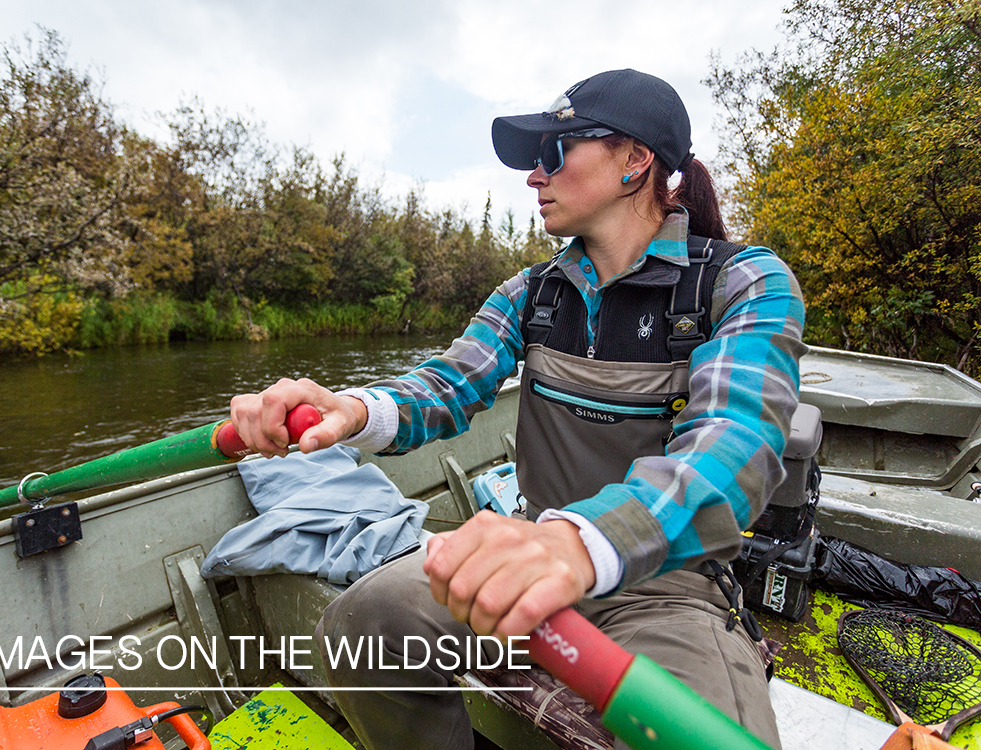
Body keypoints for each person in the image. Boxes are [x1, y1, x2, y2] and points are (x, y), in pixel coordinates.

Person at [227, 68, 804, 750]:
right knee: (365, 626)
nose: (534, 175)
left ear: (634, 160)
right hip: (524, 552)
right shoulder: (530, 292)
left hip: (665, 584)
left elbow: (731, 445)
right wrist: (350, 408)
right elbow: (447, 385)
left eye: (553, 153)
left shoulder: (745, 282)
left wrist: (578, 543)